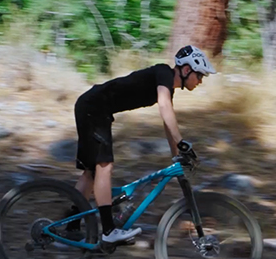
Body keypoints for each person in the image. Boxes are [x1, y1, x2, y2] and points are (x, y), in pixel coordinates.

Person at [66, 44, 216, 243]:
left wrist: (177, 157)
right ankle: (109, 232)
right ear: (187, 70)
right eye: (200, 76)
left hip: (93, 107)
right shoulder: (164, 73)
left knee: (92, 172)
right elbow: (164, 107)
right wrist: (181, 144)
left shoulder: (168, 87)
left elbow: (166, 122)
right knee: (104, 166)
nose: (200, 81)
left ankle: (70, 226)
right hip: (94, 108)